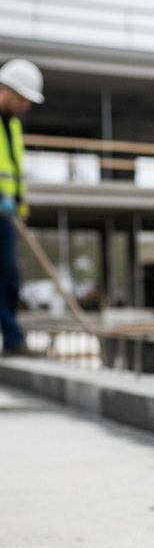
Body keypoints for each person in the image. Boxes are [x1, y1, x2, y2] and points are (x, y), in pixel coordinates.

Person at [0, 59, 44, 357]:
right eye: (23, 100)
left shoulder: (13, 125)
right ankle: (14, 337)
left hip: (7, 214)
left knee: (10, 276)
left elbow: (15, 171)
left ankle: (13, 339)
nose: (24, 106)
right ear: (7, 91)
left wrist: (19, 206)